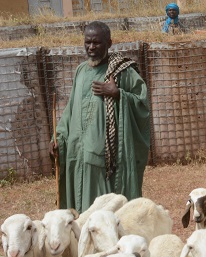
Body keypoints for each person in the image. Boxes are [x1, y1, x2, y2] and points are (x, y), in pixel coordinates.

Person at [50, 21, 151, 213]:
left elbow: (142, 104)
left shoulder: (123, 71)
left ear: (109, 43)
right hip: (76, 152)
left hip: (104, 159)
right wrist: (58, 138)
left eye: (97, 43)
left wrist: (118, 93)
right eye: (87, 42)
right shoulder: (80, 70)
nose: (91, 47)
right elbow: (71, 110)